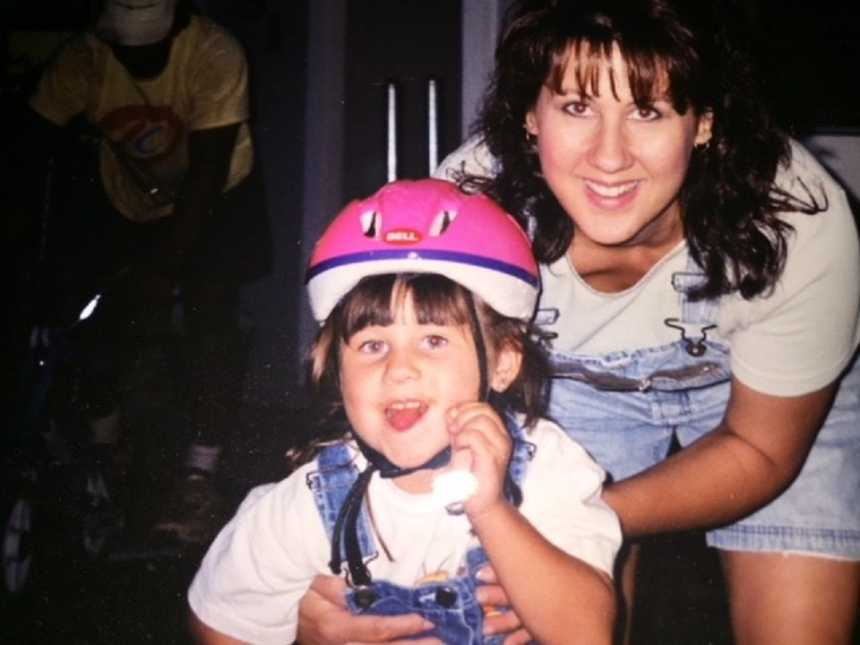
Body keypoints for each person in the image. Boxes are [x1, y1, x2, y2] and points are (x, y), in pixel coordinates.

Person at [298, 1, 860, 643]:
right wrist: (313, 573)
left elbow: (760, 450)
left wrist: (571, 517)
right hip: (565, 388)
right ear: (530, 118)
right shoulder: (468, 213)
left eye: (647, 110)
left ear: (703, 122)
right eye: (576, 107)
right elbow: (404, 389)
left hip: (769, 404)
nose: (609, 156)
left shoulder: (797, 220)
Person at [186, 178, 621, 644]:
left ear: (503, 363)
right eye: (373, 345)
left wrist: (492, 510)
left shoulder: (547, 468)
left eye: (433, 341)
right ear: (336, 369)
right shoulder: (305, 503)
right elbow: (219, 625)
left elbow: (587, 634)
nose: (398, 370)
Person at [23, 0, 269, 544]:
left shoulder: (215, 52)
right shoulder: (83, 59)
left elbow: (206, 174)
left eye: (151, 47)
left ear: (178, 22)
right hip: (130, 198)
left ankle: (199, 477)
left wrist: (163, 273)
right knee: (97, 323)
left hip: (221, 195)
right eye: (125, 48)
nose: (137, 61)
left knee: (212, 325)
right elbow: (28, 140)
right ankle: (104, 459)